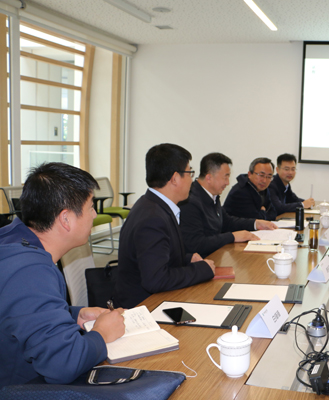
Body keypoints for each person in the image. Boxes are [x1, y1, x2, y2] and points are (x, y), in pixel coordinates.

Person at [0, 163, 125, 388]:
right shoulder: (31, 271)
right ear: (65, 219)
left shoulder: (14, 240)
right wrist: (101, 334)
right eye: (91, 207)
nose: (95, 214)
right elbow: (63, 364)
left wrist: (72, 314)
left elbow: (19, 314)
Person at [113, 144, 216, 309]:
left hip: (156, 299)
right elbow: (156, 279)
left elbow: (153, 258)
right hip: (144, 306)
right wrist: (202, 270)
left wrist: (186, 258)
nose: (192, 180)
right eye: (189, 173)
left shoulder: (152, 205)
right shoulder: (153, 218)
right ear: (175, 178)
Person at [180, 152, 277, 258]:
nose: (227, 183)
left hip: (216, 255)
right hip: (203, 260)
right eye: (225, 177)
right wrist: (232, 236)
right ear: (209, 178)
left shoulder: (213, 195)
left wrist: (255, 223)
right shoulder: (190, 201)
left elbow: (227, 222)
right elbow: (196, 243)